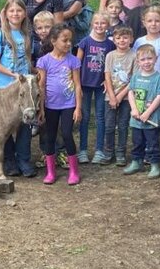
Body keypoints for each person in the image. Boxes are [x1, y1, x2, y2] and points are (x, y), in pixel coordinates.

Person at [0, 0, 36, 177]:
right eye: (12, 11)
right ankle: (9, 161)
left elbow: (27, 61)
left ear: (24, 14)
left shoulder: (26, 35)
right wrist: (12, 74)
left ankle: (23, 159)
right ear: (6, 13)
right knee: (4, 126)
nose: (15, 14)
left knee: (25, 123)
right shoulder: (0, 35)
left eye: (19, 10)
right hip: (4, 88)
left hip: (24, 87)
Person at [37, 24, 82, 185]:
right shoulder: (44, 61)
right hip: (50, 106)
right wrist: (41, 108)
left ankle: (74, 171)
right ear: (54, 41)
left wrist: (78, 107)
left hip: (68, 104)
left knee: (67, 134)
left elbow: (77, 85)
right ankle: (50, 172)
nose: (69, 43)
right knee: (50, 136)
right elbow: (41, 86)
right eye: (65, 40)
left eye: (70, 40)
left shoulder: (73, 60)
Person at [76, 13, 114, 164]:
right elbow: (76, 64)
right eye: (96, 23)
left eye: (103, 23)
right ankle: (83, 150)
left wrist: (107, 80)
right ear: (92, 24)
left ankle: (99, 150)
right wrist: (76, 82)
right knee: (84, 117)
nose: (99, 26)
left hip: (100, 85)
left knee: (100, 117)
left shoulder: (110, 45)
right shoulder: (85, 42)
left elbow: (110, 65)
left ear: (108, 25)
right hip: (85, 84)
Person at [124, 44, 160, 178]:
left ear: (156, 59)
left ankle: (155, 165)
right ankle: (137, 162)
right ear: (138, 61)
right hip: (136, 120)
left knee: (152, 143)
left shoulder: (159, 78)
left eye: (149, 58)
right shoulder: (136, 76)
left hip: (152, 119)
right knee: (137, 142)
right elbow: (131, 92)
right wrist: (134, 109)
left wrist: (148, 113)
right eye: (143, 59)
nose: (146, 62)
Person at [103, 25, 136, 166]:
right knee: (109, 126)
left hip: (127, 98)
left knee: (123, 125)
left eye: (125, 37)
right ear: (114, 40)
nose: (122, 40)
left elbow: (134, 80)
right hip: (110, 97)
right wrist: (112, 96)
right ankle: (108, 152)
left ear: (131, 39)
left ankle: (121, 153)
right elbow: (107, 77)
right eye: (118, 38)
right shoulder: (110, 55)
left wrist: (120, 96)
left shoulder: (134, 56)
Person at [134, 5, 160, 80]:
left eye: (157, 21)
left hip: (159, 81)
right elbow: (135, 63)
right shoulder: (139, 41)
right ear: (144, 23)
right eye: (150, 21)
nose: (153, 24)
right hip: (142, 80)